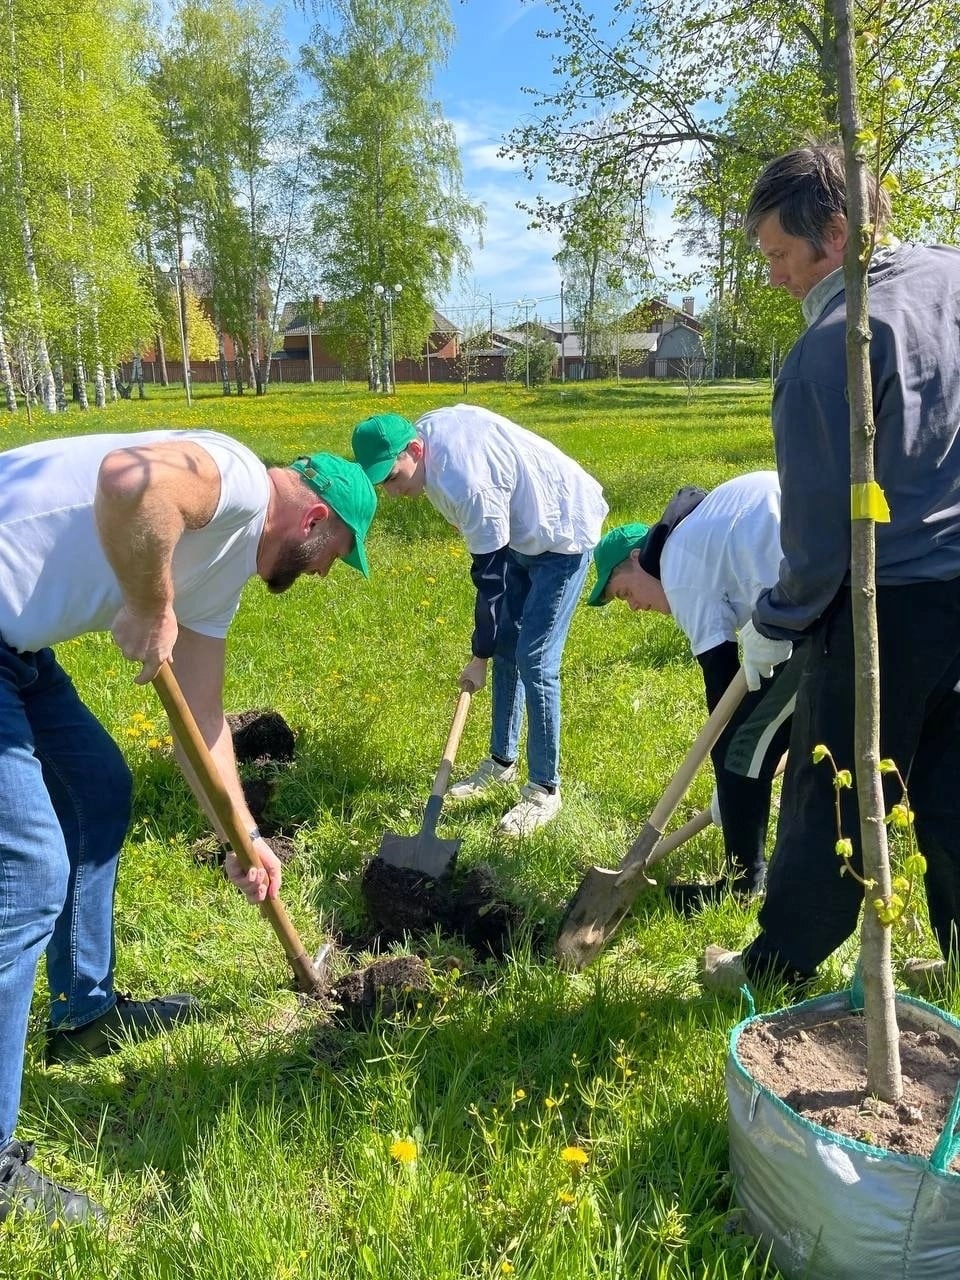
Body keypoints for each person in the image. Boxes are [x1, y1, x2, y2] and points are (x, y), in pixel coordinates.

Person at [0, 430, 376, 1222]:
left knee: (97, 788)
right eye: (335, 554)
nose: (324, 573)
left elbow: (201, 723)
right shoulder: (234, 478)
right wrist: (147, 602)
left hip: (17, 646)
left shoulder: (224, 575)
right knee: (30, 875)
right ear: (312, 520)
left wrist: (242, 835)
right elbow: (130, 482)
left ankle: (84, 1014)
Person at [701, 143, 960, 996]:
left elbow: (818, 539)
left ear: (836, 233)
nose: (773, 275)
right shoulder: (951, 278)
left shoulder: (829, 350)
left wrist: (775, 623)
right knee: (953, 781)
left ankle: (775, 967)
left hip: (887, 602)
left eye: (779, 254)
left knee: (831, 790)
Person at [352, 405, 607, 835]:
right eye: (381, 484)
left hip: (562, 531)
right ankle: (501, 762)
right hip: (522, 529)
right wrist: (492, 648)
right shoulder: (426, 440)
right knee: (510, 645)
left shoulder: (465, 481)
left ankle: (544, 789)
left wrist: (478, 657)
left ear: (415, 449)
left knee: (535, 659)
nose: (391, 492)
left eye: (392, 478)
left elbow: (491, 582)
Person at [588, 471, 795, 912]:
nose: (635, 606)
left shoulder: (678, 567)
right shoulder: (696, 536)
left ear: (639, 558)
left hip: (814, 597)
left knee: (740, 749)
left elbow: (721, 686)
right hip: (831, 569)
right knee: (769, 737)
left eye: (624, 591)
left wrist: (731, 778)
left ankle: (741, 888)